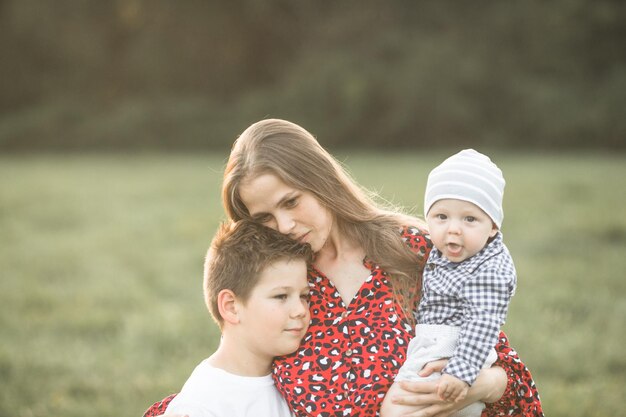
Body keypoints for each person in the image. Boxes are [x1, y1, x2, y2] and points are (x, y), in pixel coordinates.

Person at [145, 118, 543, 417]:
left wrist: (474, 387)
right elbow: (235, 379)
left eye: (291, 202)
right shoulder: (281, 284)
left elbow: (502, 364)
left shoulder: (416, 251)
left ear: (321, 181)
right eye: (264, 217)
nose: (284, 227)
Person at [381, 149, 517, 417]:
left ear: (492, 227)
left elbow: (482, 323)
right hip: (434, 344)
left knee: (395, 410)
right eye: (441, 217)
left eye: (469, 219)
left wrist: (461, 371)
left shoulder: (490, 267)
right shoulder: (443, 249)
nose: (453, 228)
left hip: (454, 350)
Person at [162, 219, 313, 417]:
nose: (300, 310)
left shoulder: (299, 380)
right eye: (281, 296)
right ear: (231, 307)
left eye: (304, 296)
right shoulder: (200, 406)